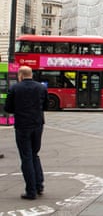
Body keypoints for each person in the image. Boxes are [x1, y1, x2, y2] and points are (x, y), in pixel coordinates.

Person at [4, 66, 49, 200]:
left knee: (26, 157)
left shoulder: (14, 88)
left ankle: (31, 190)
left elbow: (8, 108)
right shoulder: (41, 88)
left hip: (22, 126)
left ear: (21, 75)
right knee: (35, 154)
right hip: (38, 125)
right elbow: (45, 106)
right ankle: (39, 185)